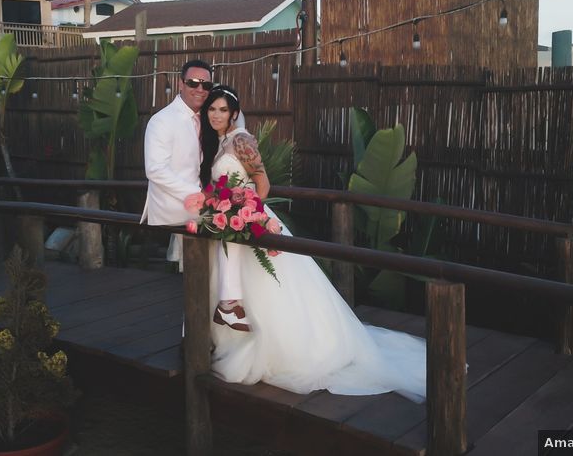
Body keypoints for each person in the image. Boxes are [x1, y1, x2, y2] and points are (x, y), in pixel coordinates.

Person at [198, 85, 427, 400]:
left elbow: (262, 183)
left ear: (234, 113)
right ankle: (229, 333)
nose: (216, 115)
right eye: (212, 109)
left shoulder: (241, 140)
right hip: (230, 221)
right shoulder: (220, 143)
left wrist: (247, 211)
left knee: (272, 288)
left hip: (250, 220)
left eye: (222, 109)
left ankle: (283, 350)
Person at [141, 59, 214, 269]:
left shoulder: (210, 118)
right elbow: (155, 170)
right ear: (181, 84)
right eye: (193, 83)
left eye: (206, 85)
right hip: (176, 204)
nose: (200, 89)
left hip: (203, 203)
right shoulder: (162, 120)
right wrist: (199, 195)